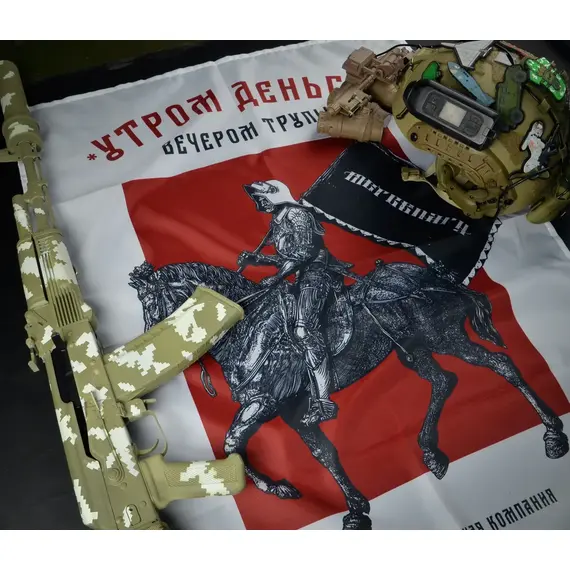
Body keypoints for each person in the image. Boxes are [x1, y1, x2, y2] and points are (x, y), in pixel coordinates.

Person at [238, 179, 352, 425]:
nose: (258, 203)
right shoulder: (277, 220)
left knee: (304, 331)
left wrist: (277, 276)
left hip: (317, 274)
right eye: (256, 199)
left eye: (260, 197)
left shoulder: (297, 214)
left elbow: (305, 252)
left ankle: (324, 402)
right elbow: (287, 257)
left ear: (275, 194)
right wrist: (259, 260)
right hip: (299, 275)